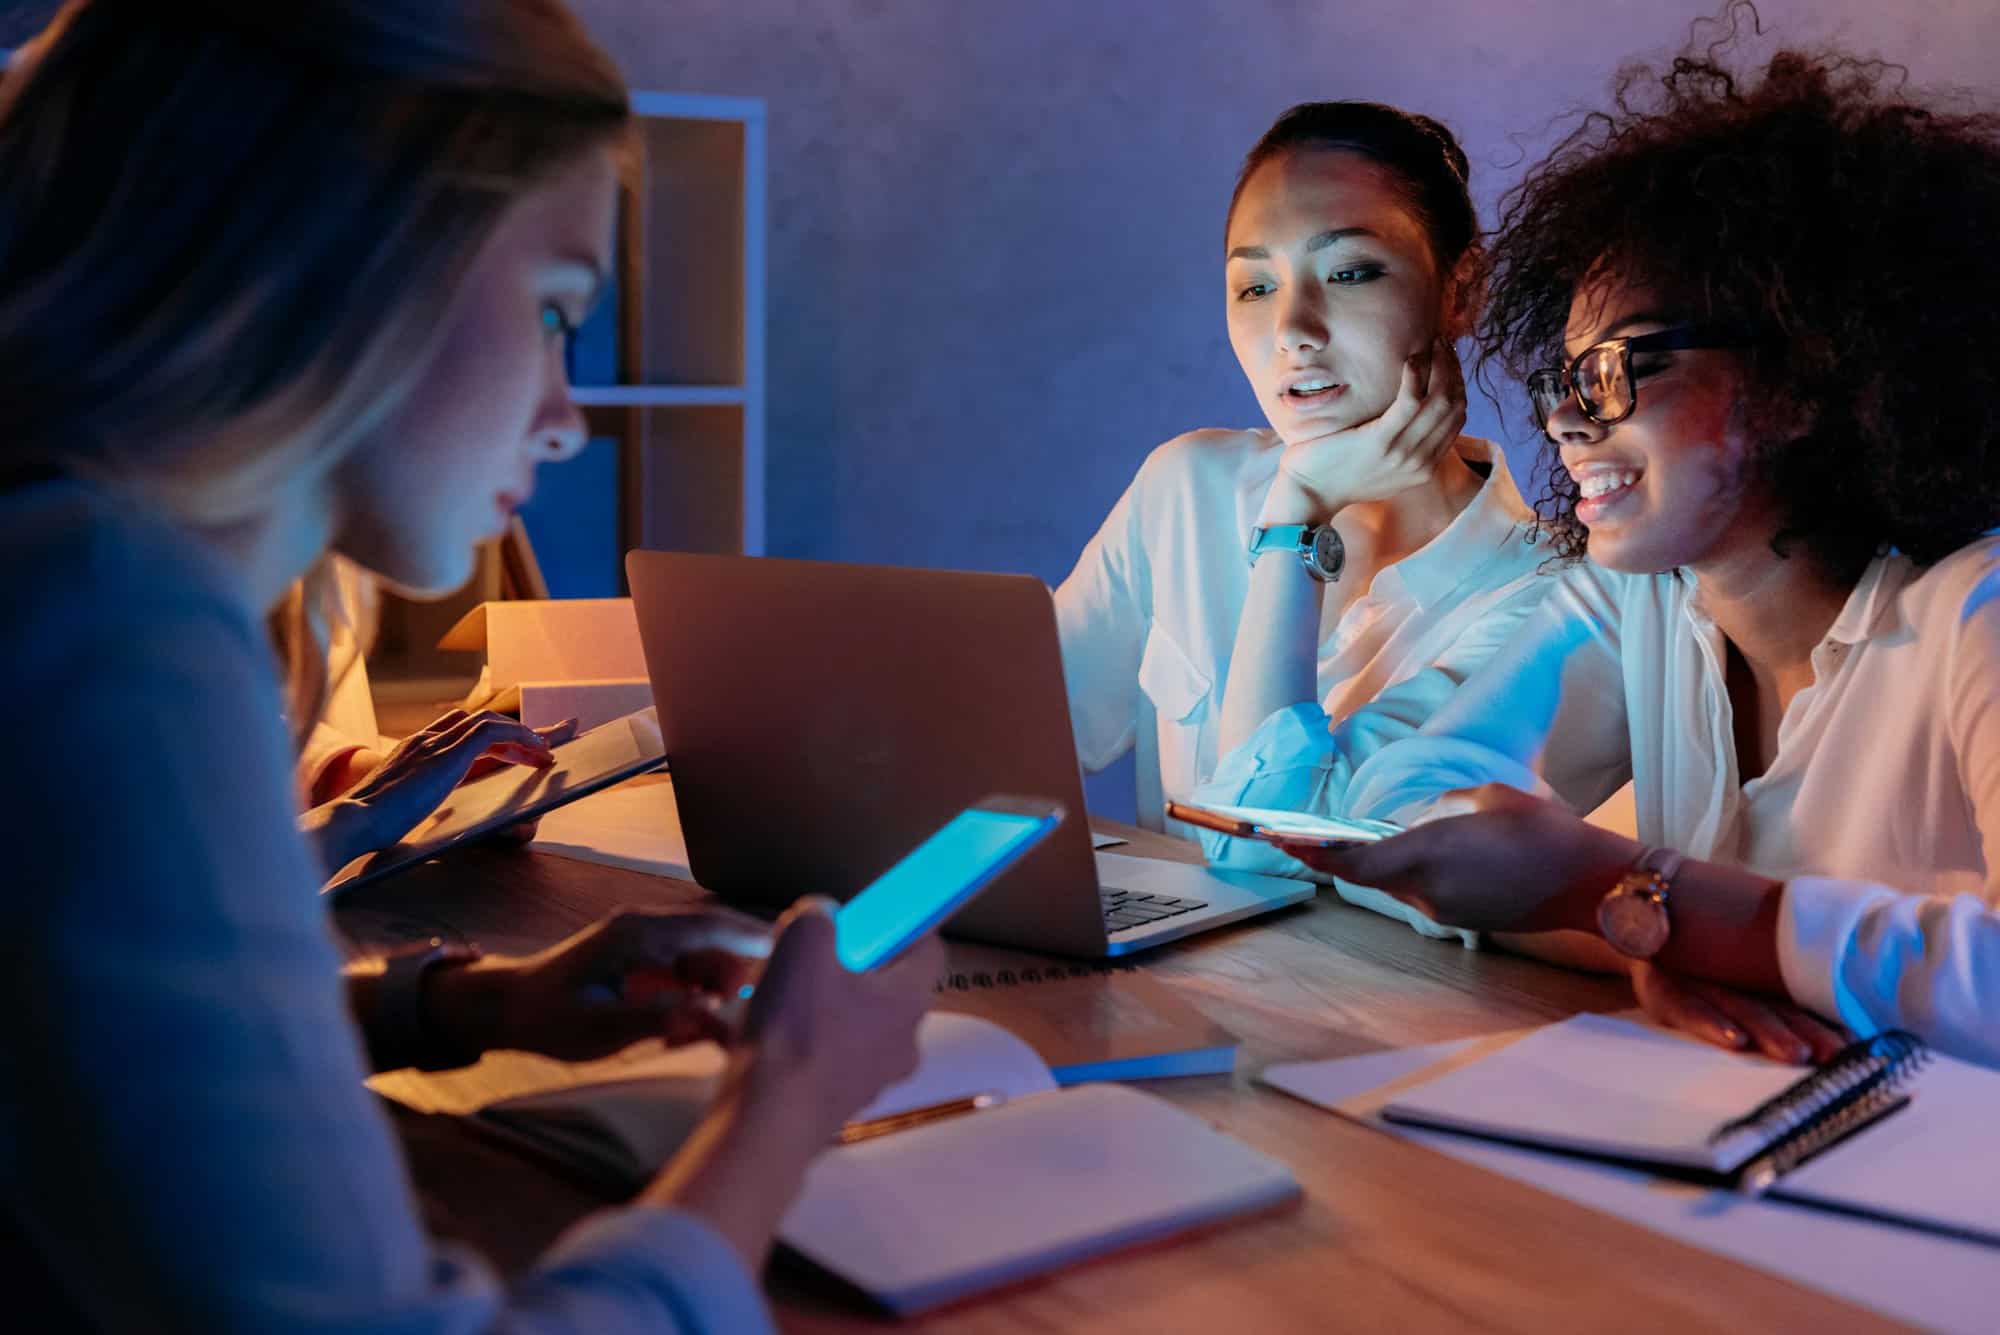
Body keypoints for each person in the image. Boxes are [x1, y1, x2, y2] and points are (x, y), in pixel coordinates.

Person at [0, 3, 936, 1330]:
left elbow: (86, 1057)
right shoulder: (113, 634)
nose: (563, 418)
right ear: (349, 245)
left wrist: (474, 998)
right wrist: (785, 1097)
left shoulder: (58, 567)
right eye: (556, 311)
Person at [1289, 27, 2000, 1069]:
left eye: (1620, 369)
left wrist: (1619, 890)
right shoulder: (1640, 604)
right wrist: (1641, 934)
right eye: (1564, 383)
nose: (1570, 426)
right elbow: (1383, 812)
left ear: (1805, 376)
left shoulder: (1972, 611)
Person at [1053, 102, 1549, 923]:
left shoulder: (1546, 595)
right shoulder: (1184, 489)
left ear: (1461, 289)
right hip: (1164, 1009)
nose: (1292, 330)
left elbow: (1261, 847)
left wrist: (1298, 514)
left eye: (1349, 272)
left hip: (1380, 1031)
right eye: (1255, 285)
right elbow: (1002, 745)